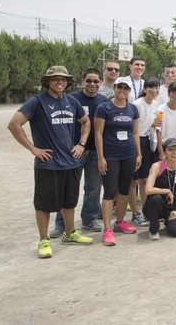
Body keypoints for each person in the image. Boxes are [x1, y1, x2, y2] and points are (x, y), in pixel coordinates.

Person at [8, 65, 93, 258]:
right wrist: (33, 148)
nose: (60, 82)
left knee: (69, 202)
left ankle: (70, 233)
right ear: (47, 81)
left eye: (63, 79)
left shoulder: (71, 102)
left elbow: (86, 122)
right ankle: (44, 240)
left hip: (70, 161)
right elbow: (14, 124)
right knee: (44, 204)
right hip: (48, 163)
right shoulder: (36, 102)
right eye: (55, 79)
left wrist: (81, 143)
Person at [51, 69, 107, 237]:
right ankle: (61, 224)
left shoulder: (104, 101)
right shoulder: (71, 99)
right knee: (68, 188)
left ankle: (89, 219)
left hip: (95, 151)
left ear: (100, 83)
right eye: (89, 81)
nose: (92, 84)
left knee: (93, 187)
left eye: (96, 81)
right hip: (74, 150)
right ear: (83, 81)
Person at [94, 76, 141, 246]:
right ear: (114, 88)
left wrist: (138, 154)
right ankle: (107, 228)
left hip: (128, 154)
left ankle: (120, 221)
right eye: (119, 87)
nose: (122, 91)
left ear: (129, 91)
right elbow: (98, 133)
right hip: (111, 155)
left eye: (126, 88)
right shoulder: (104, 108)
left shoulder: (133, 109)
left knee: (124, 190)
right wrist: (101, 157)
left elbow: (135, 133)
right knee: (109, 191)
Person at [143, 138, 176, 239]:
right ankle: (153, 228)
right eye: (170, 150)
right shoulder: (157, 166)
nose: (174, 153)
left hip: (171, 204)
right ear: (164, 152)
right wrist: (166, 191)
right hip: (154, 205)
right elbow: (148, 189)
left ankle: (167, 221)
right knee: (156, 198)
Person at [131, 77, 160, 227]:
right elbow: (134, 130)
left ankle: (145, 210)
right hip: (136, 142)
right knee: (133, 181)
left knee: (144, 179)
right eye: (151, 88)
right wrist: (138, 153)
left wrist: (154, 125)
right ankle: (135, 213)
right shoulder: (137, 105)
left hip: (148, 142)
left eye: (156, 88)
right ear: (144, 89)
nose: (154, 91)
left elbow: (152, 125)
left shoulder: (156, 104)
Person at [155, 82, 176, 160]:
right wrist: (161, 152)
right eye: (173, 93)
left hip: (175, 146)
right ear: (168, 94)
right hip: (163, 146)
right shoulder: (161, 110)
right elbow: (157, 132)